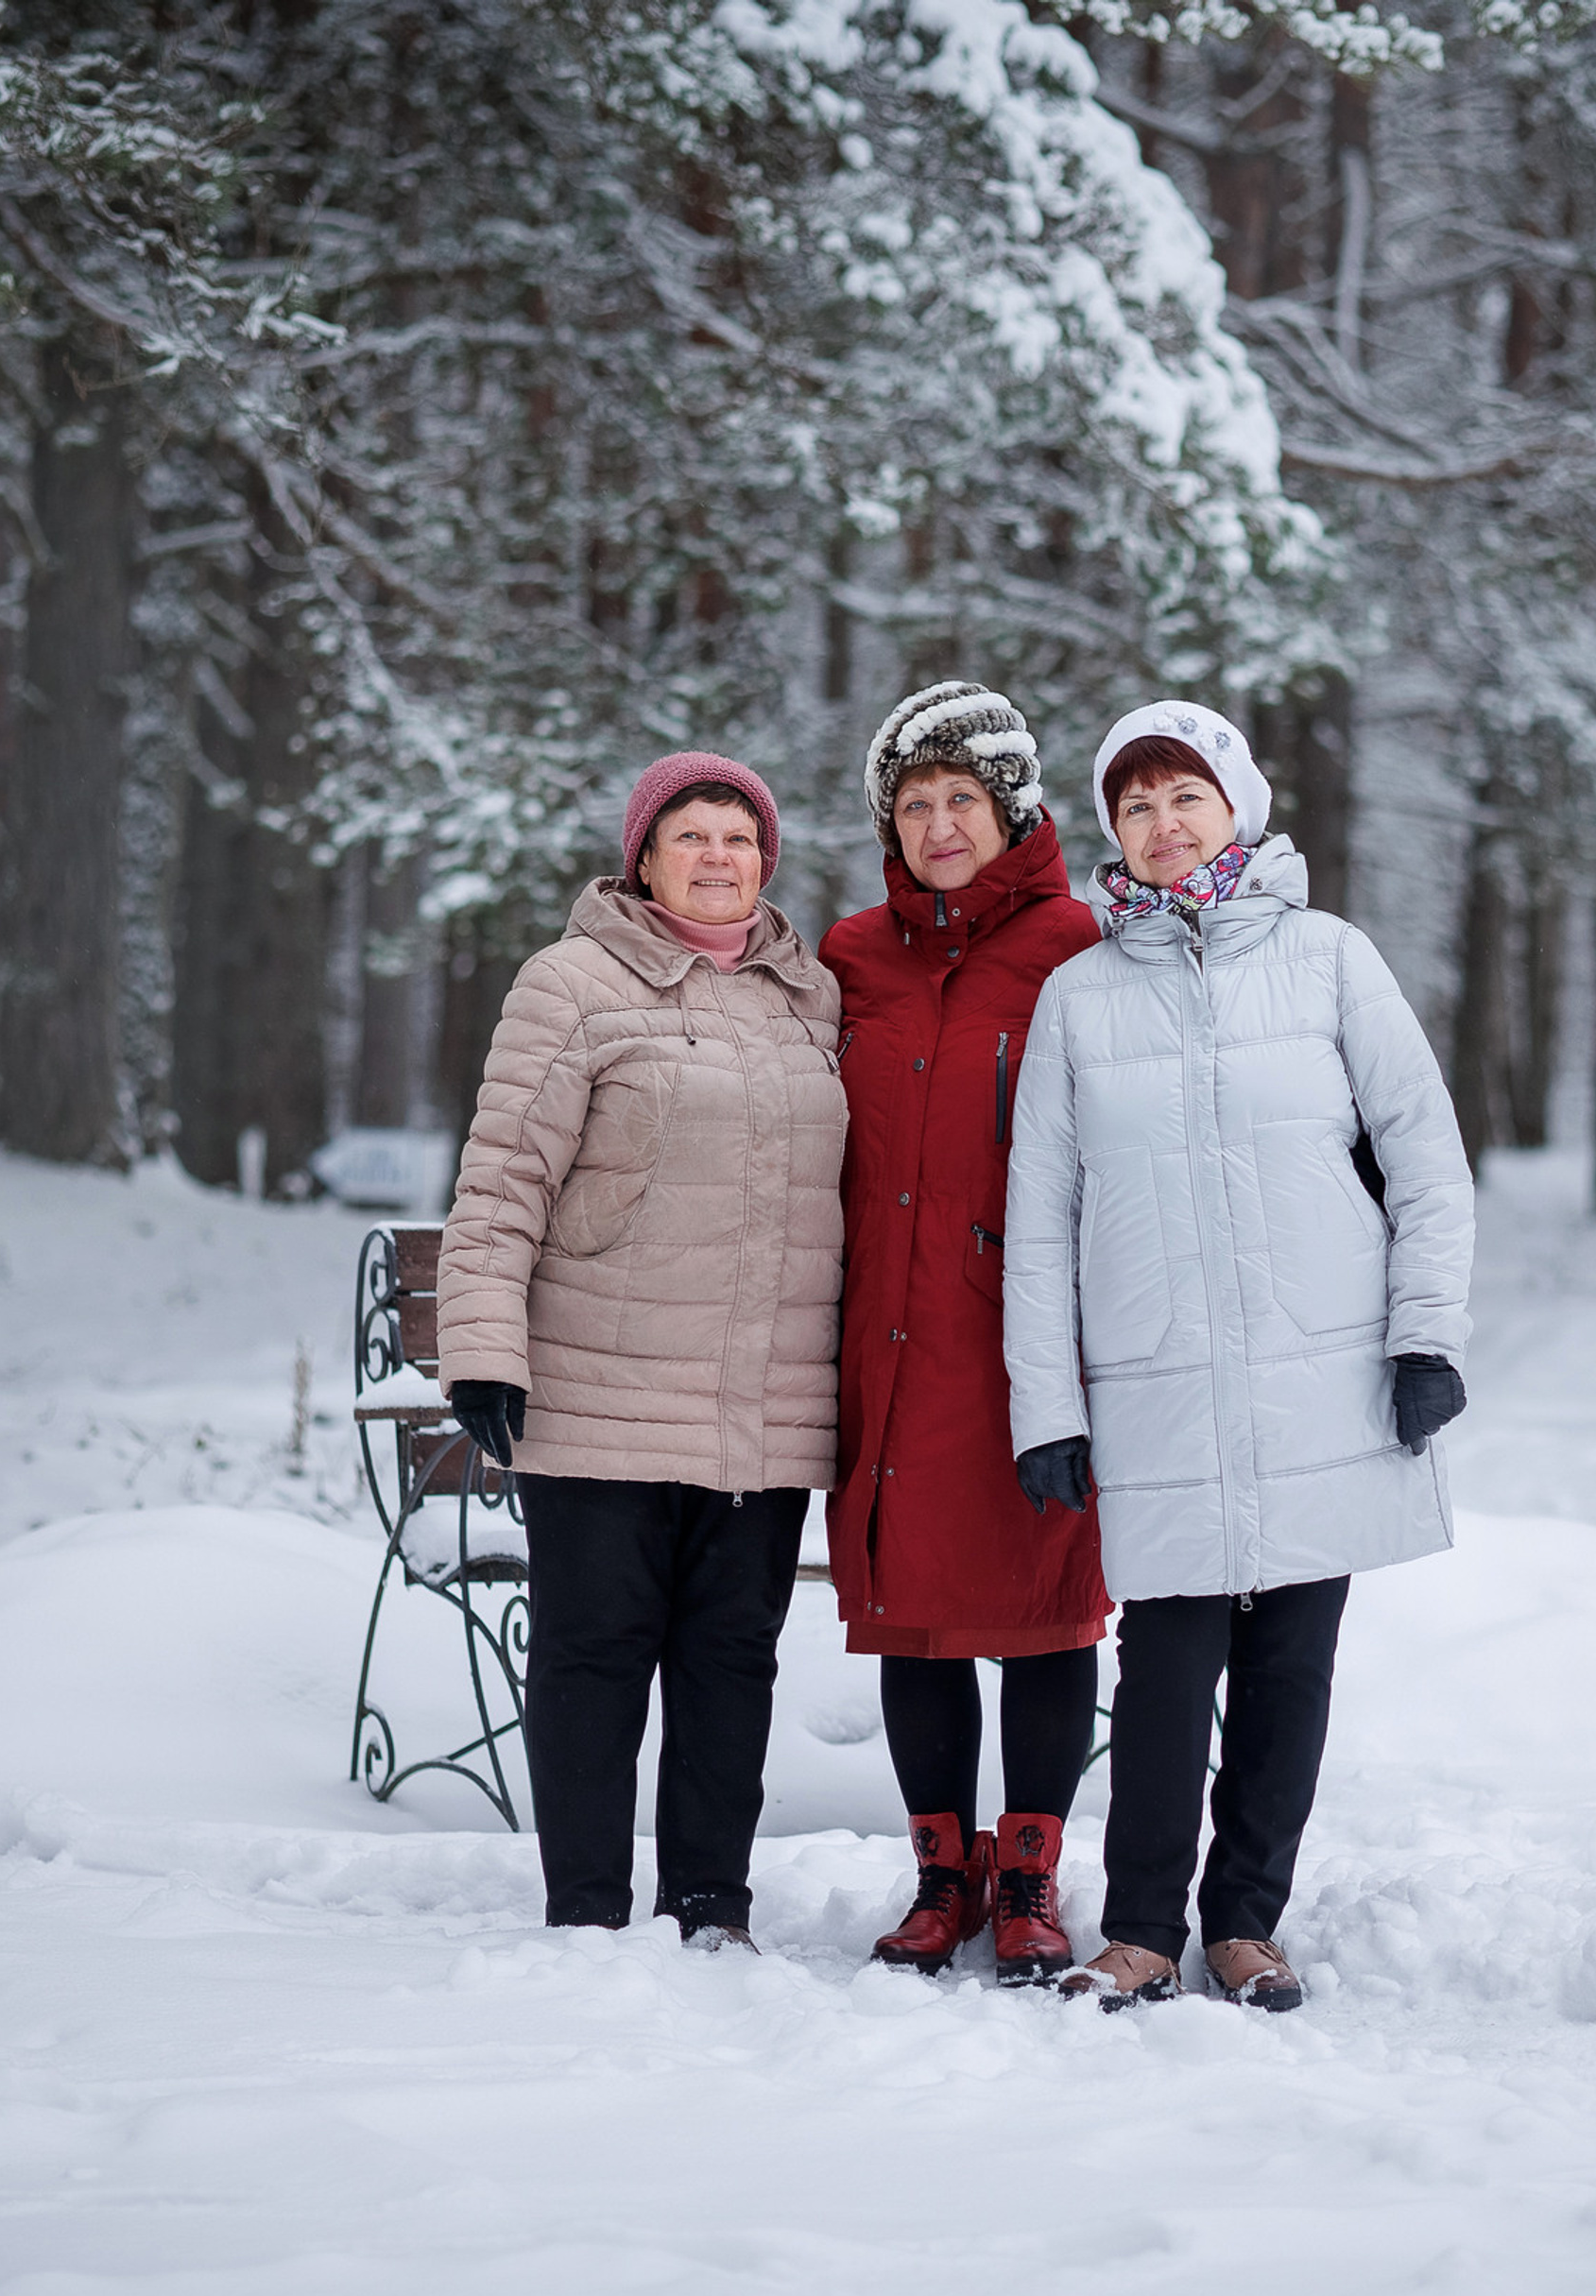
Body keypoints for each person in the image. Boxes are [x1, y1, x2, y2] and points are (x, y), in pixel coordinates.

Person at [1004, 701, 1474, 2012]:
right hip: (1154, 1384)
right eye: (1136, 806)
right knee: (1163, 1674)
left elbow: (1425, 1156)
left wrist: (1425, 1335)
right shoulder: (1079, 996)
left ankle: (1245, 1925)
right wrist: (1046, 1407)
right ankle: (1142, 1930)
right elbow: (1040, 1220)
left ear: (1238, 807)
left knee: (1288, 1673)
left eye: (1185, 798)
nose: (1163, 825)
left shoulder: (1329, 961)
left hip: (1317, 1373)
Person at [436, 753, 848, 1947]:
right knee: (594, 1656)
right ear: (644, 859)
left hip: (761, 1405)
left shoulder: (810, 996)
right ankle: (587, 1911)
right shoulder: (571, 983)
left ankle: (712, 1906)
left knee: (732, 1659)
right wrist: (482, 1347)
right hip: (599, 1390)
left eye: (739, 836)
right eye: (691, 835)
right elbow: (505, 1175)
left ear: (766, 859)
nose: (717, 856)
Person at [820, 681, 1111, 1983]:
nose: (938, 825)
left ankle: (1032, 1871)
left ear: (1012, 807)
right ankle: (945, 1872)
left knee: (1048, 1605)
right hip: (885, 1334)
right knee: (914, 1612)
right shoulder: (852, 957)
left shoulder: (1081, 947)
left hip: (1031, 1341)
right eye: (913, 804)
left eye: (961, 799)